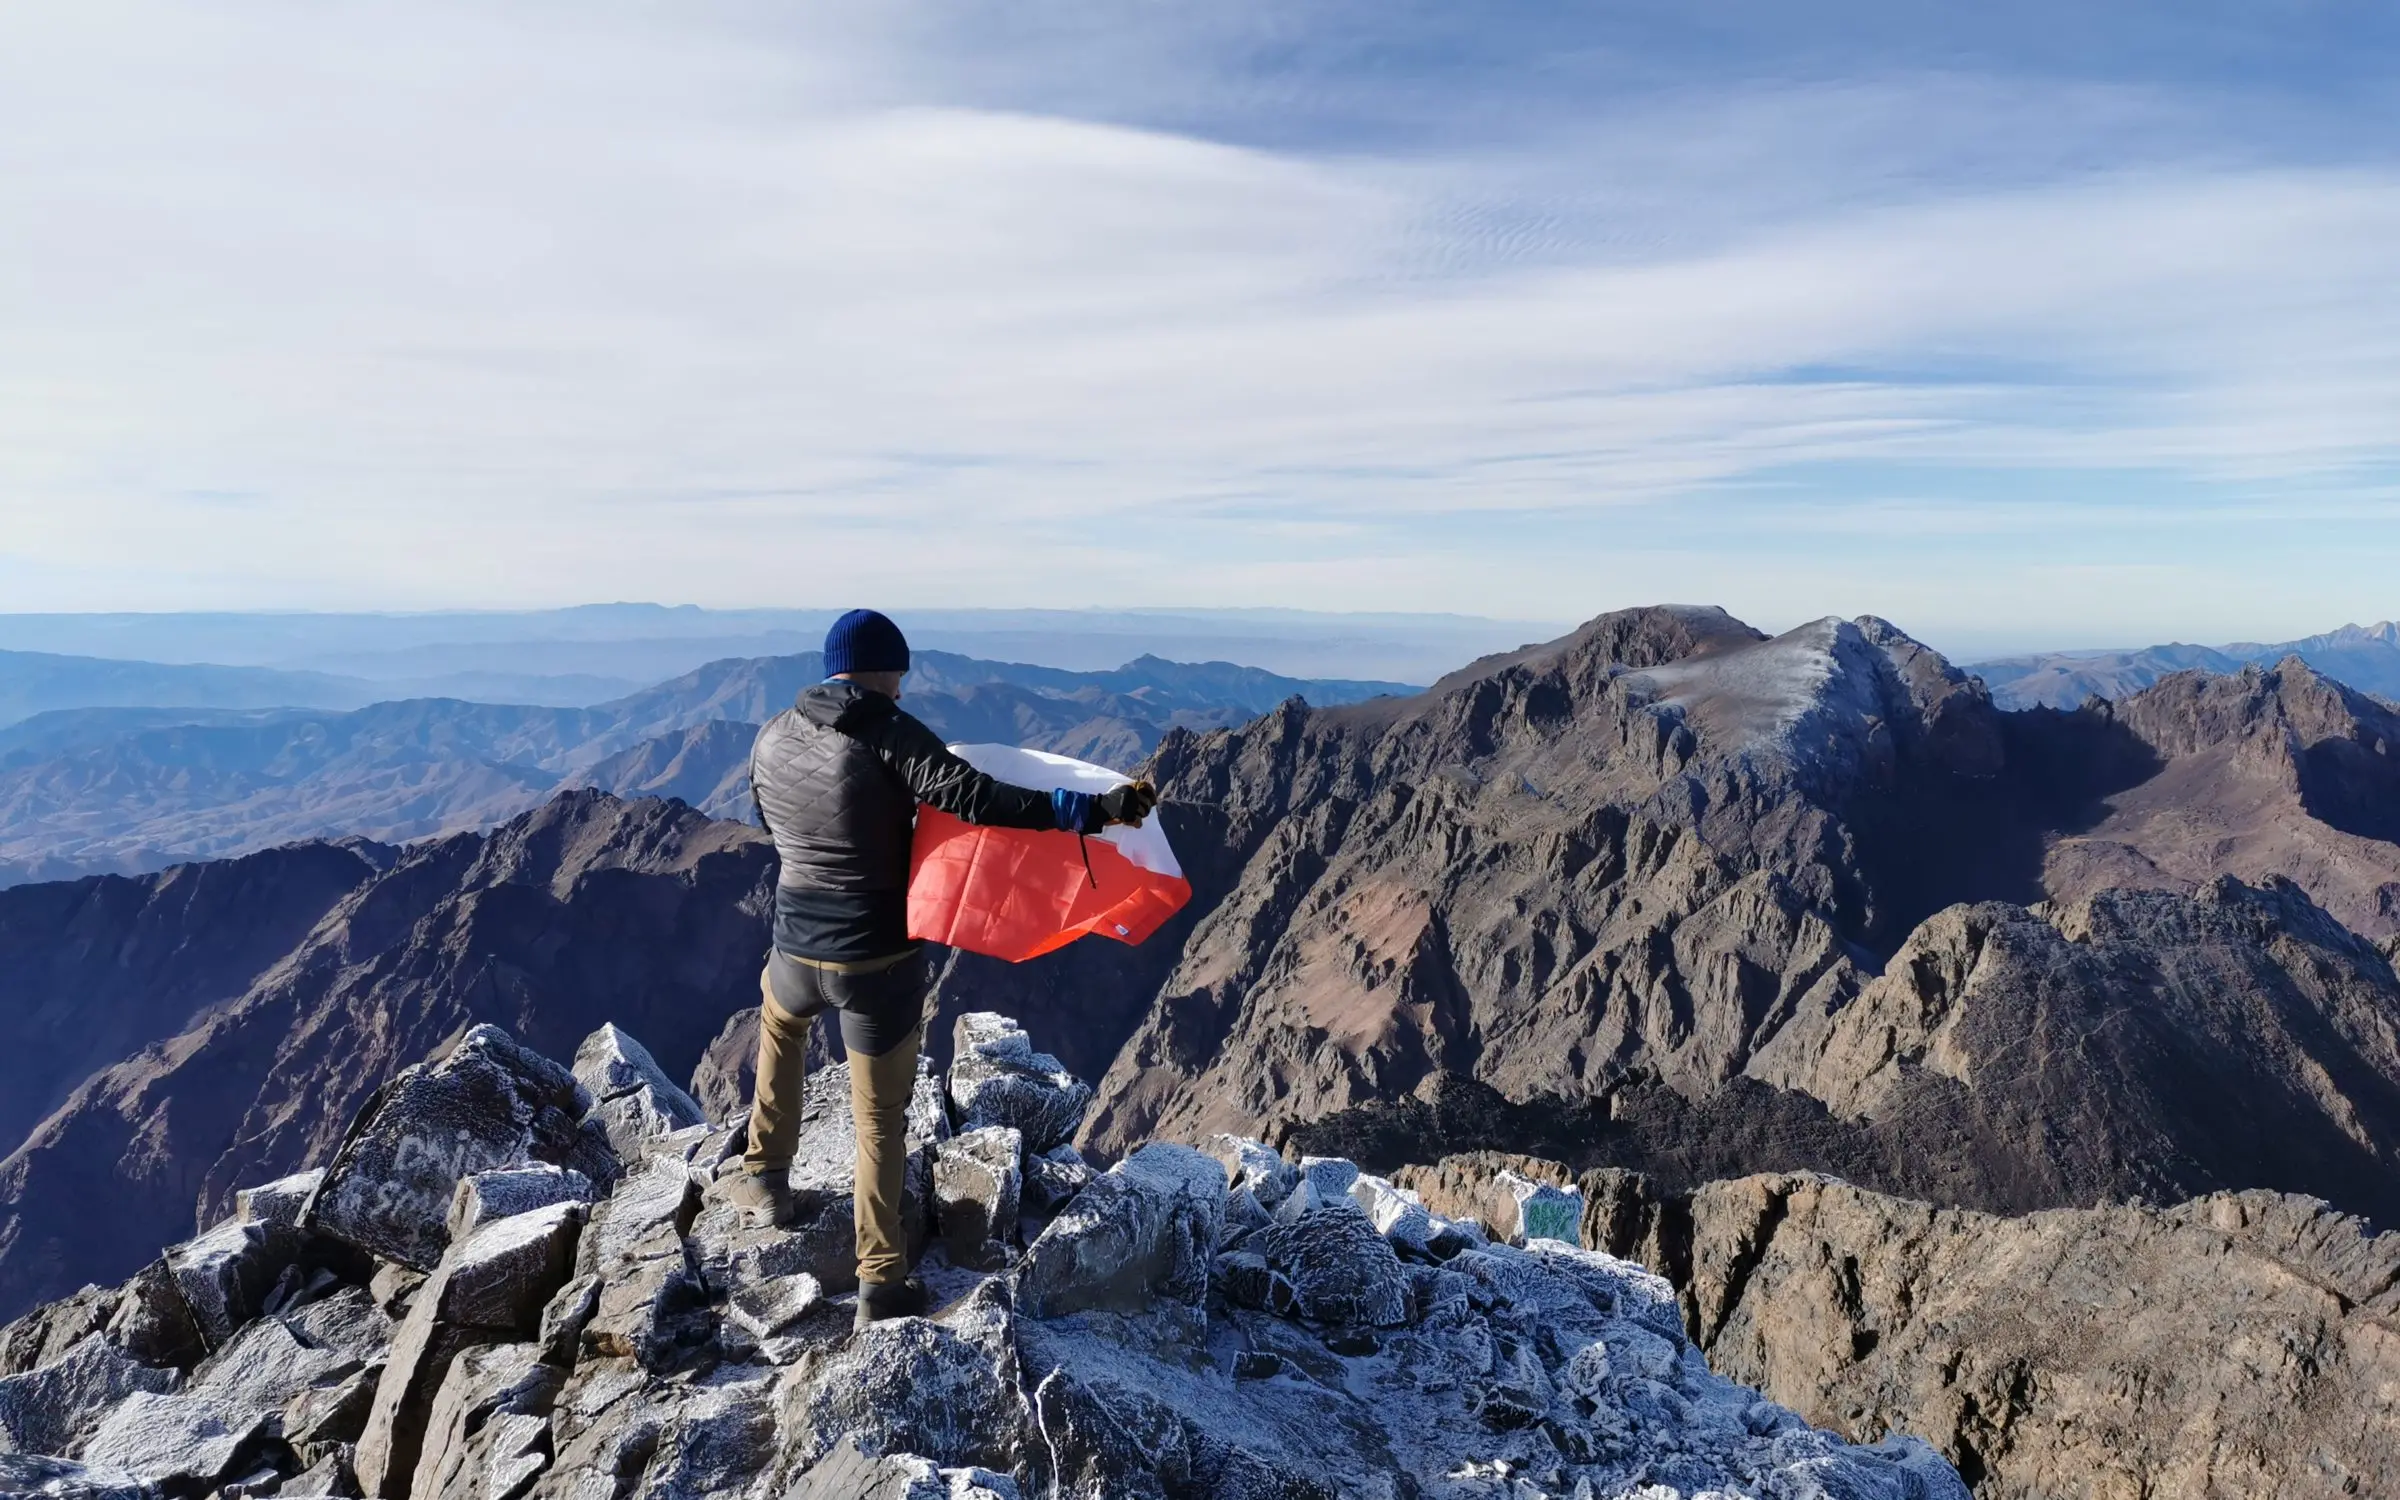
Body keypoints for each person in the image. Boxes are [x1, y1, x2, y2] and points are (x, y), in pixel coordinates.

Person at [726, 608, 1157, 1328]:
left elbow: (769, 820)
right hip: (876, 957)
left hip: (794, 942)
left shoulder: (771, 734)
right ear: (883, 670)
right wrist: (1095, 809)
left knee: (780, 1031)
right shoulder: (888, 733)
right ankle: (881, 1283)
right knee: (879, 1121)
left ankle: (766, 1179)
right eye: (898, 674)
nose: (902, 687)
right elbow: (976, 797)